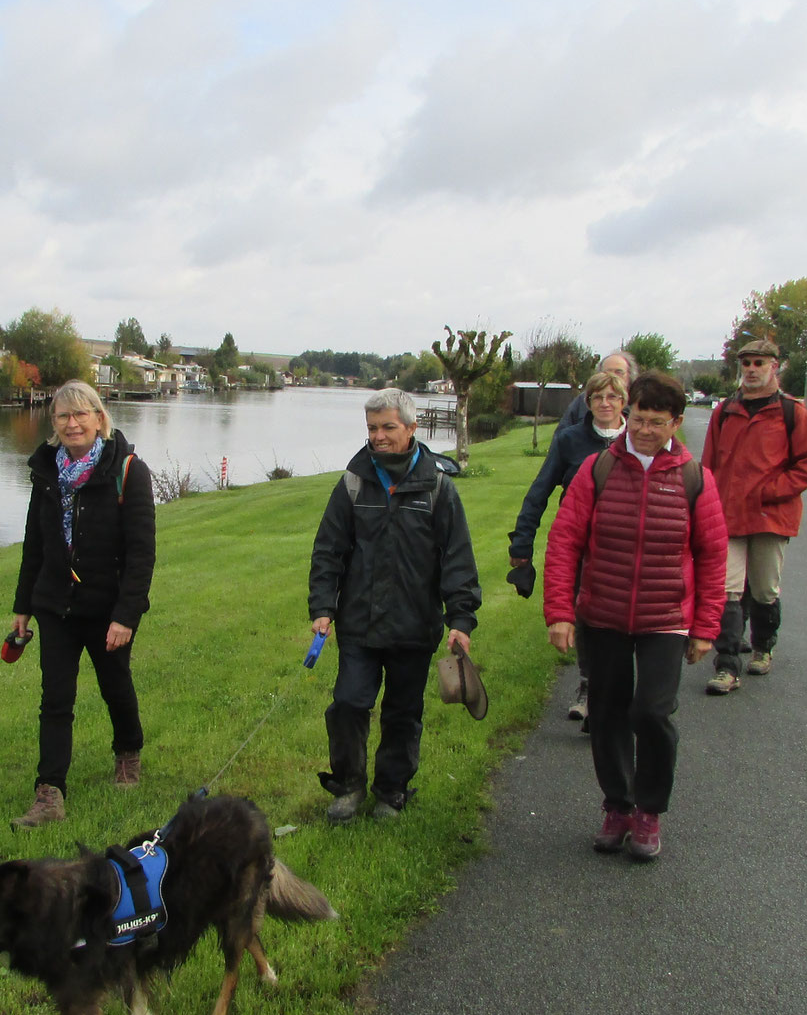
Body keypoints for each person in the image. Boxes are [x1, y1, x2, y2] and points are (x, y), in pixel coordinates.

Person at [542, 371, 727, 861]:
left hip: (666, 616)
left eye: (656, 422)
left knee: (652, 712)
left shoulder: (695, 479)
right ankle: (617, 806)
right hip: (601, 614)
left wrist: (707, 627)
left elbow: (712, 554)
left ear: (677, 422)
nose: (644, 431)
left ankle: (649, 810)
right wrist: (560, 611)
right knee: (605, 715)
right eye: (638, 419)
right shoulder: (598, 469)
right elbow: (565, 541)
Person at [309, 388, 481, 823]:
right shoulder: (353, 482)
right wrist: (322, 607)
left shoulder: (438, 487)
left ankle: (391, 790)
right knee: (348, 703)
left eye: (388, 427)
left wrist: (460, 617)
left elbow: (457, 557)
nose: (379, 437)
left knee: (403, 713)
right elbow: (329, 550)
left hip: (414, 627)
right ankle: (348, 786)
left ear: (411, 427)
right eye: (372, 428)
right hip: (360, 626)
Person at [10, 381, 156, 828]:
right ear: (53, 423)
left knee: (115, 686)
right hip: (56, 605)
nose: (72, 424)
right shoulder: (47, 471)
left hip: (107, 608)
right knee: (55, 698)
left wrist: (126, 615)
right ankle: (49, 793)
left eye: (81, 415)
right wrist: (23, 605)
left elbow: (141, 553)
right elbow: (34, 542)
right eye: (62, 417)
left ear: (99, 417)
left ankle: (128, 751)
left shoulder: (127, 470)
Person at [507, 368, 629, 722]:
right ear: (587, 402)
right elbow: (539, 491)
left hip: (625, 549)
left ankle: (617, 689)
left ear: (624, 402)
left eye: (612, 397)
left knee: (621, 620)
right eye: (597, 398)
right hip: (581, 544)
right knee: (586, 616)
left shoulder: (637, 439)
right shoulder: (570, 440)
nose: (604, 404)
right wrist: (522, 544)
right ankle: (589, 685)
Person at [699, 338, 807, 696]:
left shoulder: (792, 413)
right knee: (727, 589)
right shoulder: (724, 412)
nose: (751, 369)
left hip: (771, 516)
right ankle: (727, 666)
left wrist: (771, 491)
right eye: (746, 363)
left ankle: (764, 647)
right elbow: (709, 465)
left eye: (759, 363)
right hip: (729, 515)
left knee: (764, 589)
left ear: (774, 367)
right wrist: (706, 503)